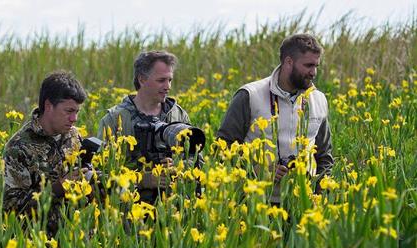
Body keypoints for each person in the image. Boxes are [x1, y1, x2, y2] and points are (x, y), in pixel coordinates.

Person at [217, 33, 334, 203]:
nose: (313, 72)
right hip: (255, 203)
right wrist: (259, 171)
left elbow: (324, 156)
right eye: (308, 65)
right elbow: (223, 147)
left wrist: (321, 194)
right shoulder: (250, 95)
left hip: (303, 204)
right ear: (288, 62)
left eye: (316, 66)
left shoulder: (319, 100)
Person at [98, 50, 196, 204]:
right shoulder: (115, 119)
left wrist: (178, 166)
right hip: (128, 213)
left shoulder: (178, 116)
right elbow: (102, 175)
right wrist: (142, 180)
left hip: (174, 207)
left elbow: (197, 160)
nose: (167, 86)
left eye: (170, 80)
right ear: (142, 79)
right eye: (161, 80)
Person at [3, 71, 89, 235]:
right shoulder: (19, 147)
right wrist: (56, 189)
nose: (74, 118)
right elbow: (12, 210)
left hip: (76, 240)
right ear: (49, 106)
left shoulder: (74, 136)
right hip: (38, 245)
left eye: (77, 111)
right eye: (69, 111)